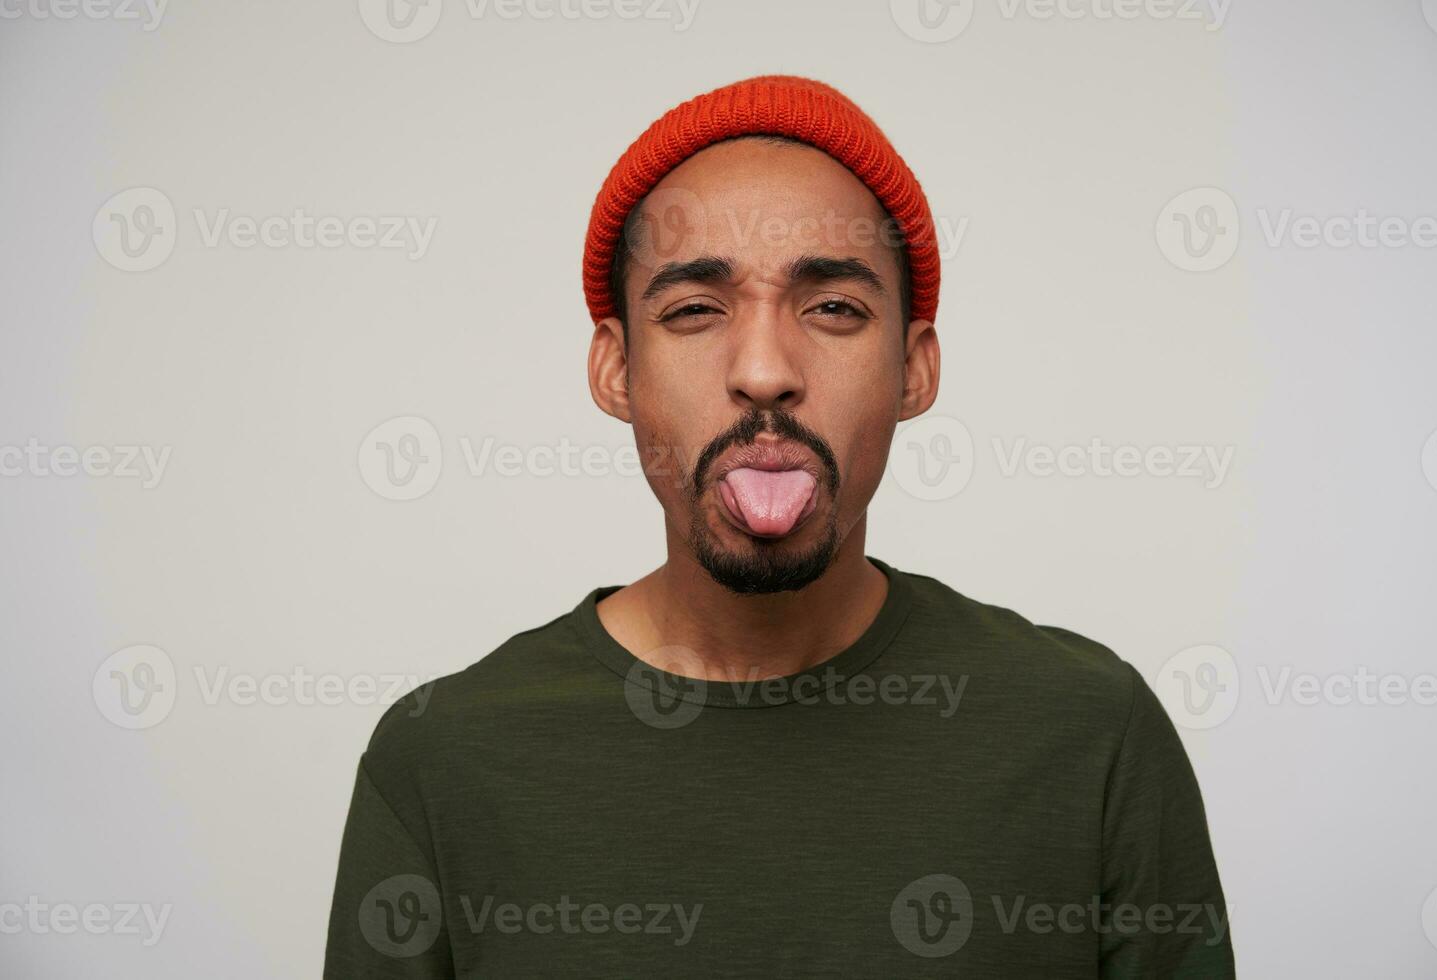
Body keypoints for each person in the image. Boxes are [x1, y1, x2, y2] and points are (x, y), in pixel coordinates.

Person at [324, 74, 1234, 978]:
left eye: (833, 308)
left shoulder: (1091, 733)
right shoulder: (440, 760)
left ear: (914, 369)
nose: (763, 370)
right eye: (694, 311)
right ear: (615, 371)